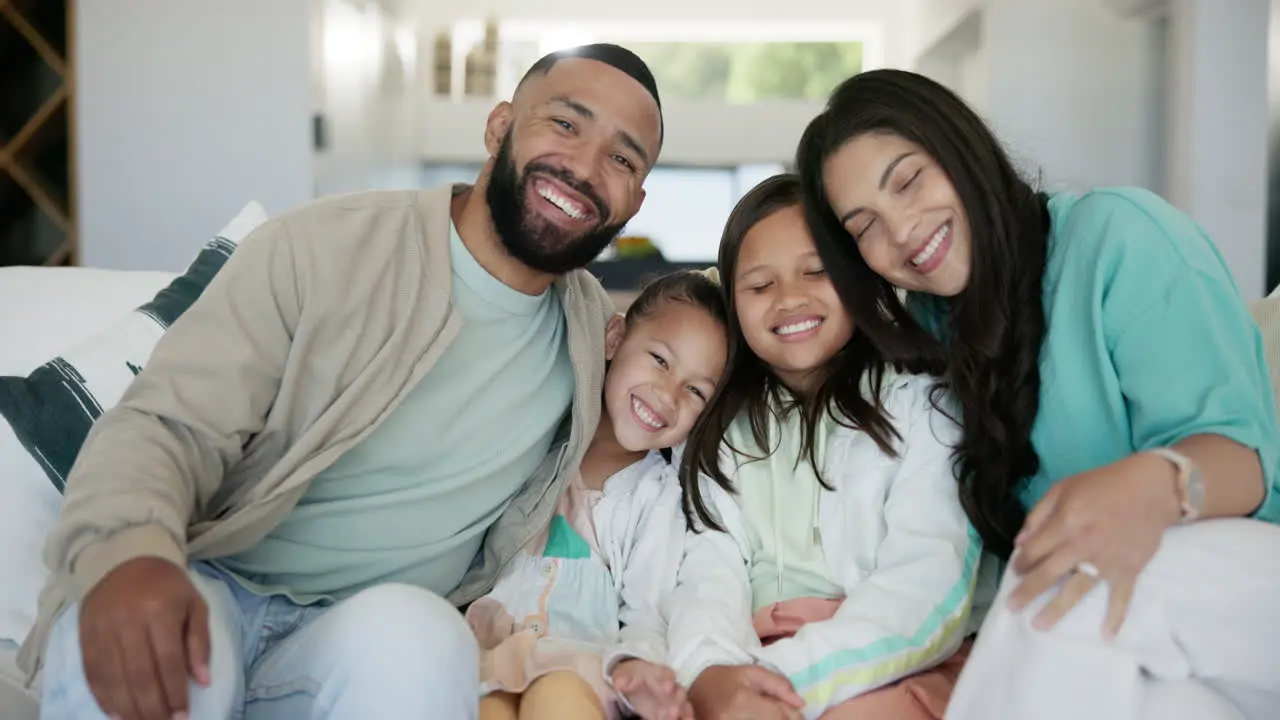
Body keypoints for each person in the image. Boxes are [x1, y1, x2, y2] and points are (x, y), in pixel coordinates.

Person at [23, 43, 665, 720]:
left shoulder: (599, 339)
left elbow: (725, 325)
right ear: (500, 126)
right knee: (172, 650)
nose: (586, 168)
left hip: (361, 641)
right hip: (209, 580)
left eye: (622, 159)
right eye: (565, 124)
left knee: (424, 638)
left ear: (637, 200)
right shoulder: (319, 248)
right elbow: (166, 424)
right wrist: (130, 554)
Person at [796, 68, 1280, 719]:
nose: (903, 230)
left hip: (1245, 584)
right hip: (1151, 642)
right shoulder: (935, 329)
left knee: (1061, 588)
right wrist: (885, 627)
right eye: (865, 227)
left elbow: (1246, 463)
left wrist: (1149, 484)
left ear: (961, 150)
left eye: (909, 181)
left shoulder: (1118, 235)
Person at [668, 174, 980, 720]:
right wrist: (709, 671)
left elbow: (927, 584)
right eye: (760, 286)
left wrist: (778, 680)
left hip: (898, 662)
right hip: (750, 658)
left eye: (816, 272)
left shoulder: (921, 405)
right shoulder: (720, 429)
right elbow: (707, 571)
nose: (790, 299)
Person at [469, 269, 727, 720]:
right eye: (660, 360)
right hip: (490, 654)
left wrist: (635, 666)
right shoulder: (540, 442)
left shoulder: (656, 496)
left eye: (695, 390)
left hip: (582, 666)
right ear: (615, 339)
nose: (667, 395)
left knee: (557, 701)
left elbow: (648, 611)